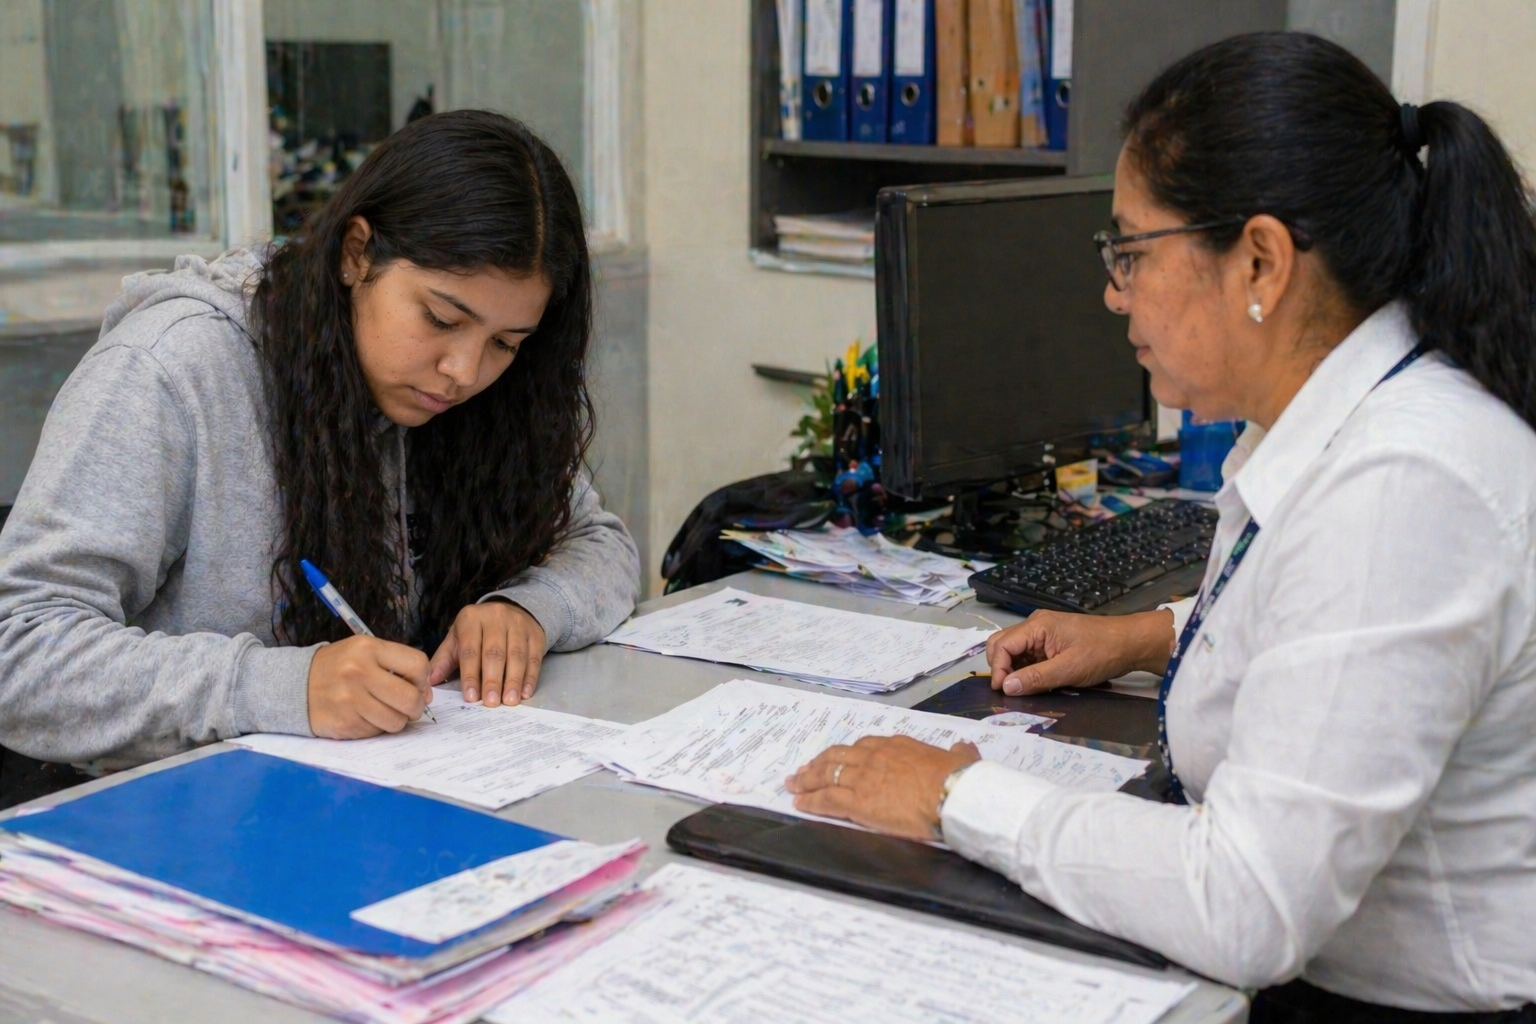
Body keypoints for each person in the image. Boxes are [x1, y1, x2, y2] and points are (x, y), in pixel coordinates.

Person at [787, 32, 1536, 1022]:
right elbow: (1330, 624)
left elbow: (1248, 901)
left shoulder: (1404, 484)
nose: (1112, 293)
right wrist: (1152, 634)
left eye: (1131, 252)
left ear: (1261, 259)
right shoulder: (1364, 418)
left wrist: (956, 796)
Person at [0, 110, 639, 780]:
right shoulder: (172, 369)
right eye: (441, 319)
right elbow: (19, 651)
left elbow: (601, 543)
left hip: (394, 795)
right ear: (355, 254)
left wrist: (528, 608)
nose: (465, 371)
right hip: (178, 817)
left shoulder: (489, 398)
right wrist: (277, 688)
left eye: (506, 344)